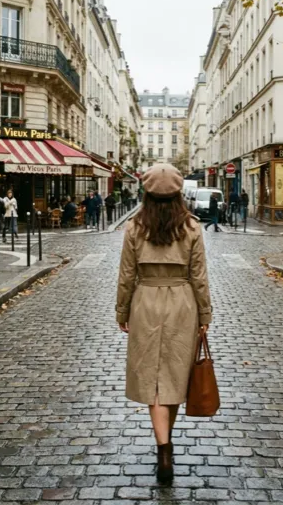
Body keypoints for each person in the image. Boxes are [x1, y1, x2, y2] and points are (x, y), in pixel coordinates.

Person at [117, 163, 212, 484]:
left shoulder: (134, 228)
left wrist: (122, 312)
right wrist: (205, 316)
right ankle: (165, 445)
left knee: (153, 381)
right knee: (173, 375)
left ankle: (163, 447)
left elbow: (126, 276)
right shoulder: (192, 228)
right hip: (182, 304)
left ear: (146, 194)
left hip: (145, 302)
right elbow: (199, 278)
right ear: (178, 194)